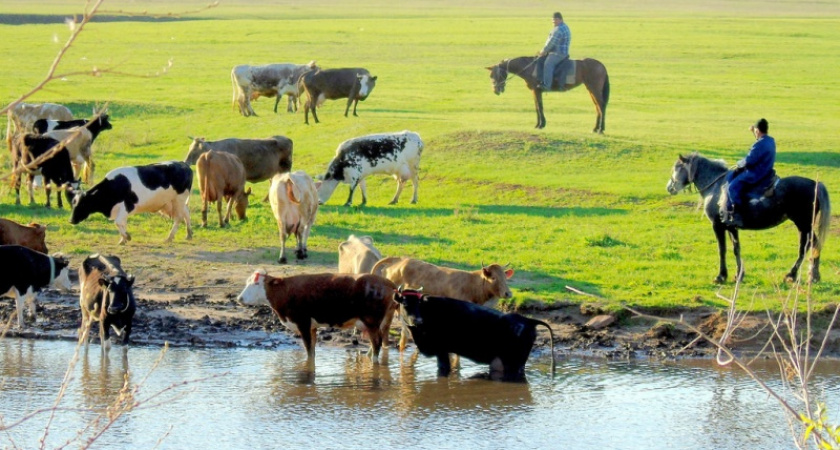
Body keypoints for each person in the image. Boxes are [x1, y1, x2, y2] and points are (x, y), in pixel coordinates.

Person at [722, 118, 776, 227]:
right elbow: (760, 145)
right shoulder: (771, 140)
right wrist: (754, 131)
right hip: (767, 170)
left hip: (756, 173)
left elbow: (750, 160)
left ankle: (738, 215)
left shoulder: (759, 145)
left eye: (755, 131)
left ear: (757, 131)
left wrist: (739, 164)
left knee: (732, 187)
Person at [537, 12, 571, 91]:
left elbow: (551, 42)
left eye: (556, 20)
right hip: (560, 51)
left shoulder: (559, 29)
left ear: (561, 19)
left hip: (559, 53)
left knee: (548, 64)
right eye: (553, 21)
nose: (554, 22)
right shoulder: (564, 26)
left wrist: (543, 51)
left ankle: (547, 85)